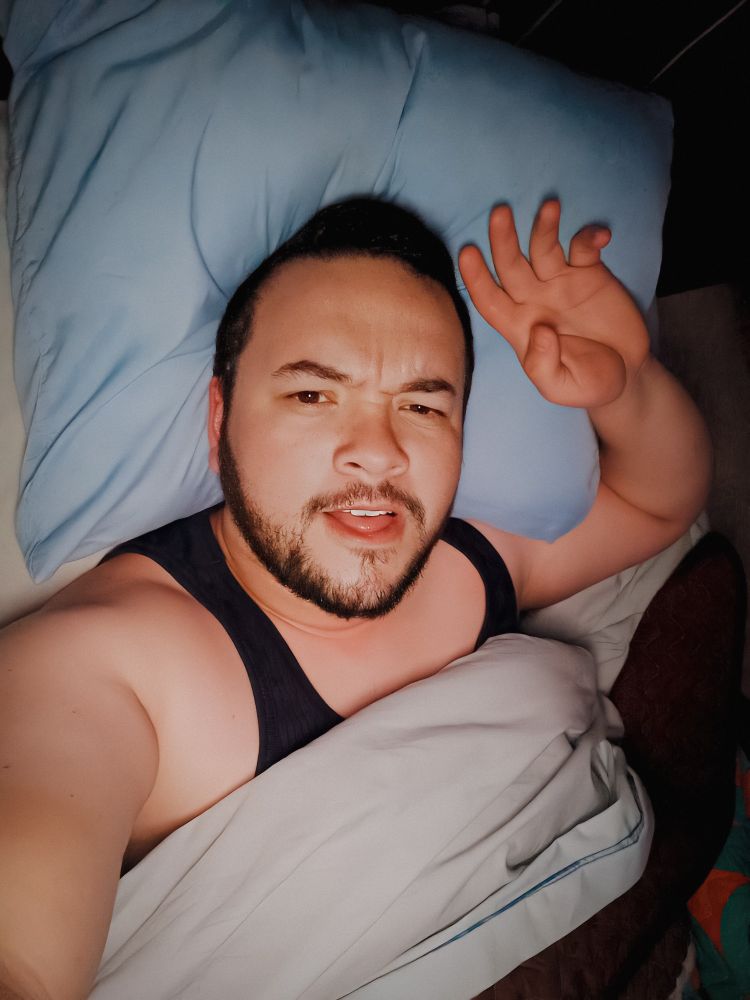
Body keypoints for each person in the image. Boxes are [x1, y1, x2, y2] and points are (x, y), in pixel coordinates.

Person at [0, 197, 711, 1000]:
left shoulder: (466, 566)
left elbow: (658, 503)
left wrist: (626, 385)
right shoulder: (99, 669)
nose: (378, 453)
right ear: (219, 421)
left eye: (422, 406)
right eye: (313, 395)